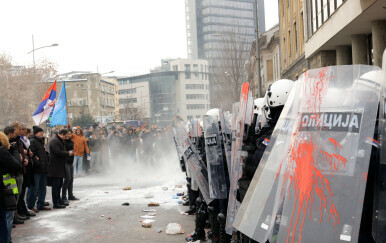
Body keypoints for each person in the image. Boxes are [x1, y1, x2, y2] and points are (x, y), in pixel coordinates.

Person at [0, 131, 22, 243]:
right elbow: (17, 165)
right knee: (7, 217)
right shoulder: (2, 151)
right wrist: (14, 151)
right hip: (6, 189)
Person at [48, 129, 73, 209]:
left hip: (59, 167)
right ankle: (56, 202)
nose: (66, 138)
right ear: (61, 134)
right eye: (65, 136)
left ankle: (59, 200)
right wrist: (67, 153)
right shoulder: (55, 141)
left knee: (59, 185)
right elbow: (57, 152)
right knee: (56, 186)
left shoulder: (59, 140)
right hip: (55, 167)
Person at [27, 126, 51, 212]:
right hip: (36, 169)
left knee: (42, 188)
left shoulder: (40, 141)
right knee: (34, 188)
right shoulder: (32, 141)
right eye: (41, 132)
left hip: (43, 168)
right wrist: (37, 162)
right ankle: (30, 205)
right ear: (36, 132)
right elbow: (32, 155)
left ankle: (40, 204)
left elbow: (42, 154)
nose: (42, 133)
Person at [62, 129, 79, 203]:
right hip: (65, 161)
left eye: (70, 134)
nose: (68, 135)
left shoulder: (71, 141)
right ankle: (63, 196)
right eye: (67, 134)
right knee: (67, 179)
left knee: (71, 179)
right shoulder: (63, 142)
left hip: (70, 161)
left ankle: (70, 195)